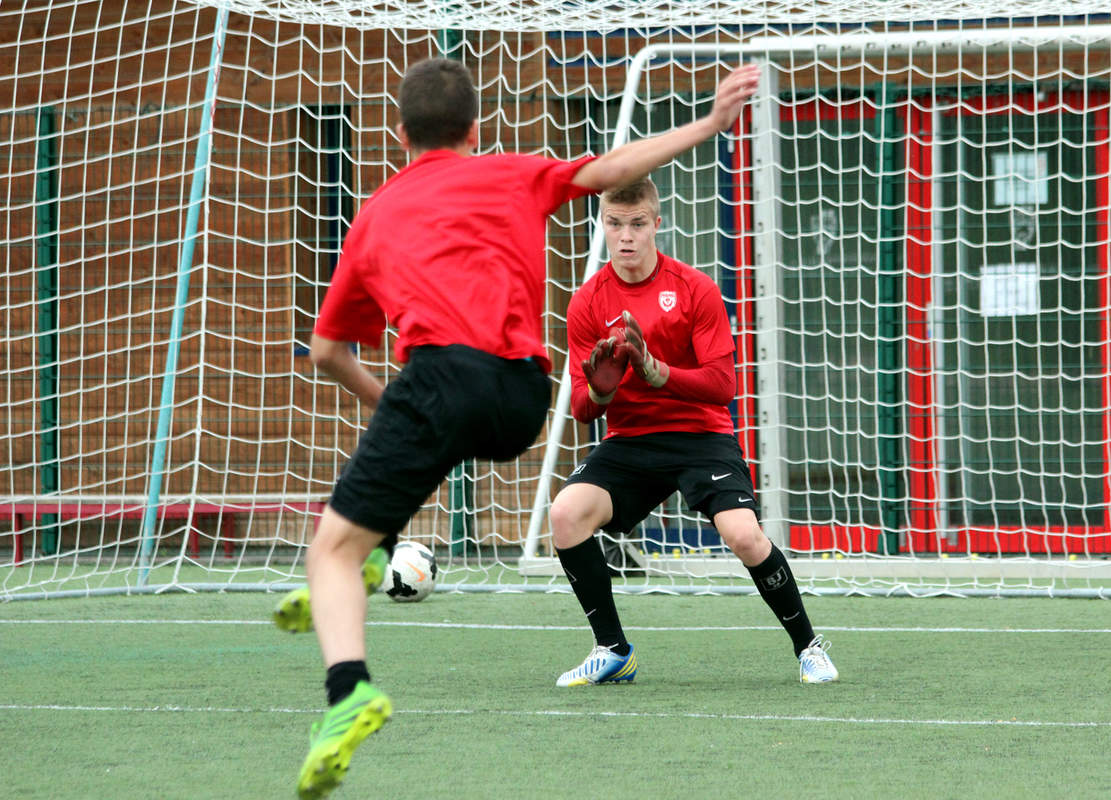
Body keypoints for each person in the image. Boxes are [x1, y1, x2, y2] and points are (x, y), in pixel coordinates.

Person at [271, 57, 763, 799]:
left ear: (400, 133)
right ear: (475, 128)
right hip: (524, 396)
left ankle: (349, 693)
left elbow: (329, 352)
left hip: (439, 380)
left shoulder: (375, 212)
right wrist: (711, 123)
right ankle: (377, 546)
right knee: (419, 451)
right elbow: (612, 166)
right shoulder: (514, 171)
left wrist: (395, 411)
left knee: (329, 553)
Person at [550, 175, 839, 688]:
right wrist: (602, 389)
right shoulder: (586, 303)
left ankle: (809, 648)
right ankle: (613, 651)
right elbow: (582, 411)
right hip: (632, 440)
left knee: (743, 535)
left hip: (700, 435)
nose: (626, 237)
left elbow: (722, 384)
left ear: (656, 224)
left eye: (637, 224)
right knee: (566, 514)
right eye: (615, 224)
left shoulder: (693, 288)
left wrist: (656, 371)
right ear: (604, 225)